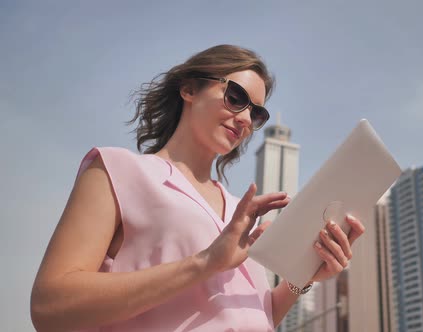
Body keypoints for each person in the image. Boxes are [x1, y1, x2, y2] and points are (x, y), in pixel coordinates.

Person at [30, 44, 365, 332]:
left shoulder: (239, 211)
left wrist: (301, 277)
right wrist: (205, 263)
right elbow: (49, 306)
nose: (246, 119)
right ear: (189, 89)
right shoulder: (118, 170)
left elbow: (254, 317)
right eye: (236, 97)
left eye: (256, 113)